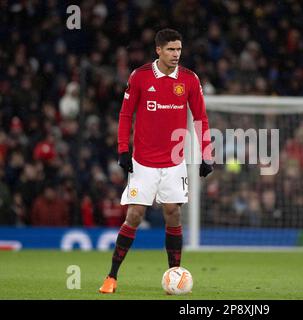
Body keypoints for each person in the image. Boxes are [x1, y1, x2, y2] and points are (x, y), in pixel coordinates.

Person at [99, 28, 214, 293]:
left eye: (179, 50)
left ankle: (175, 276)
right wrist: (122, 149)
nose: (176, 54)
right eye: (171, 49)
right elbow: (126, 114)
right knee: (135, 215)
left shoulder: (189, 79)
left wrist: (207, 154)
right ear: (158, 50)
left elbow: (200, 118)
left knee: (173, 213)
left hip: (174, 162)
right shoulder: (139, 77)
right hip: (143, 162)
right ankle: (111, 276)